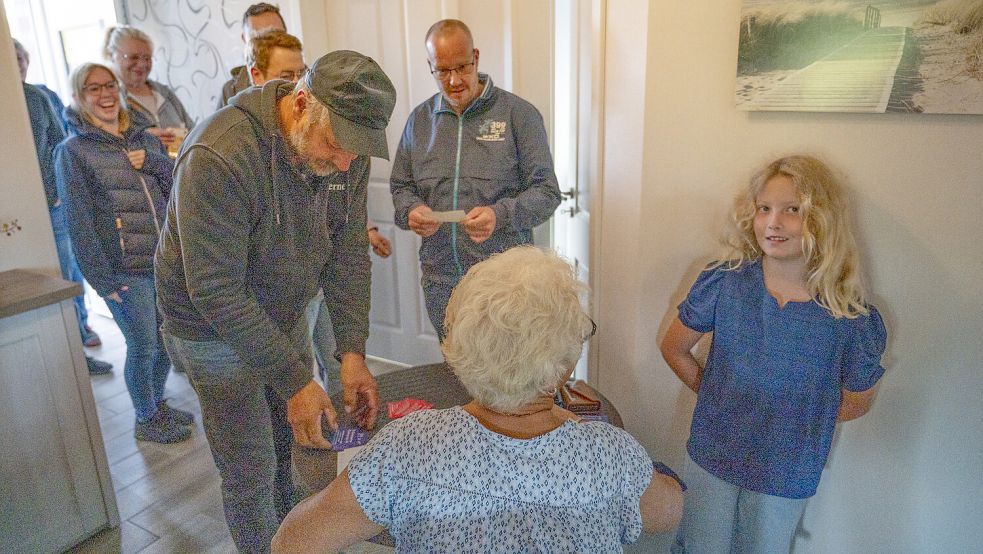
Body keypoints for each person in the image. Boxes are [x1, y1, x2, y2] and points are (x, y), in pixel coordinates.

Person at [271, 246, 684, 552]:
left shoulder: (408, 446)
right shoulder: (609, 453)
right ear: (564, 366)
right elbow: (668, 514)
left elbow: (291, 543)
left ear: (460, 348)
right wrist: (663, 476)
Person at [155, 50, 395, 552]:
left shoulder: (343, 149)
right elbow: (215, 292)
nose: (347, 163)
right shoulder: (221, 153)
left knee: (290, 443)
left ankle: (287, 537)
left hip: (281, 309)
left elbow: (348, 252)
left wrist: (351, 351)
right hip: (209, 328)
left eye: (357, 150)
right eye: (338, 145)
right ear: (301, 102)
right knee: (249, 467)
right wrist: (295, 379)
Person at [660, 155, 888, 553]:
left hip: (786, 471)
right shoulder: (725, 282)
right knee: (700, 546)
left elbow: (857, 400)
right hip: (713, 453)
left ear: (821, 219)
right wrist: (715, 392)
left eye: (792, 210)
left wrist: (796, 421)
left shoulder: (849, 316)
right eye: (764, 209)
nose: (773, 222)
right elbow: (674, 348)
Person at [390, 19, 561, 339]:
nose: (453, 80)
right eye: (442, 70)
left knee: (507, 378)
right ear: (430, 66)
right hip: (441, 282)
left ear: (476, 57)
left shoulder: (518, 115)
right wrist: (411, 209)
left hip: (505, 284)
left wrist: (500, 215)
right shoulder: (419, 121)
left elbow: (548, 192)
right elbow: (401, 185)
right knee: (455, 373)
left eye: (461, 67)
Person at [54, 63, 189, 442]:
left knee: (164, 341)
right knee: (144, 344)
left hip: (162, 261)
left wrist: (157, 162)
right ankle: (146, 419)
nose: (105, 94)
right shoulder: (73, 152)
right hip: (123, 271)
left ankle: (156, 404)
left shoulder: (143, 138)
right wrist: (103, 281)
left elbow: (176, 183)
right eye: (93, 88)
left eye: (109, 85)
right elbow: (78, 223)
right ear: (79, 97)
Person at [15, 40, 110, 369]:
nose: (17, 65)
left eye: (20, 58)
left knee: (67, 272)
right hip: (21, 211)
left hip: (52, 206)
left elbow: (59, 142)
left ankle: (80, 331)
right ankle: (69, 354)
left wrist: (57, 192)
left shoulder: (38, 97)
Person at [104, 25, 195, 152]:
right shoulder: (108, 100)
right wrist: (143, 140)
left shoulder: (164, 94)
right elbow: (104, 150)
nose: (142, 64)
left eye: (147, 58)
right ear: (111, 55)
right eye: (133, 57)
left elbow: (194, 133)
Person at [217, 2, 288, 109]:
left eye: (276, 35)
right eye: (258, 38)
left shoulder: (308, 80)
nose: (269, 44)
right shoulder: (230, 91)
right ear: (245, 40)